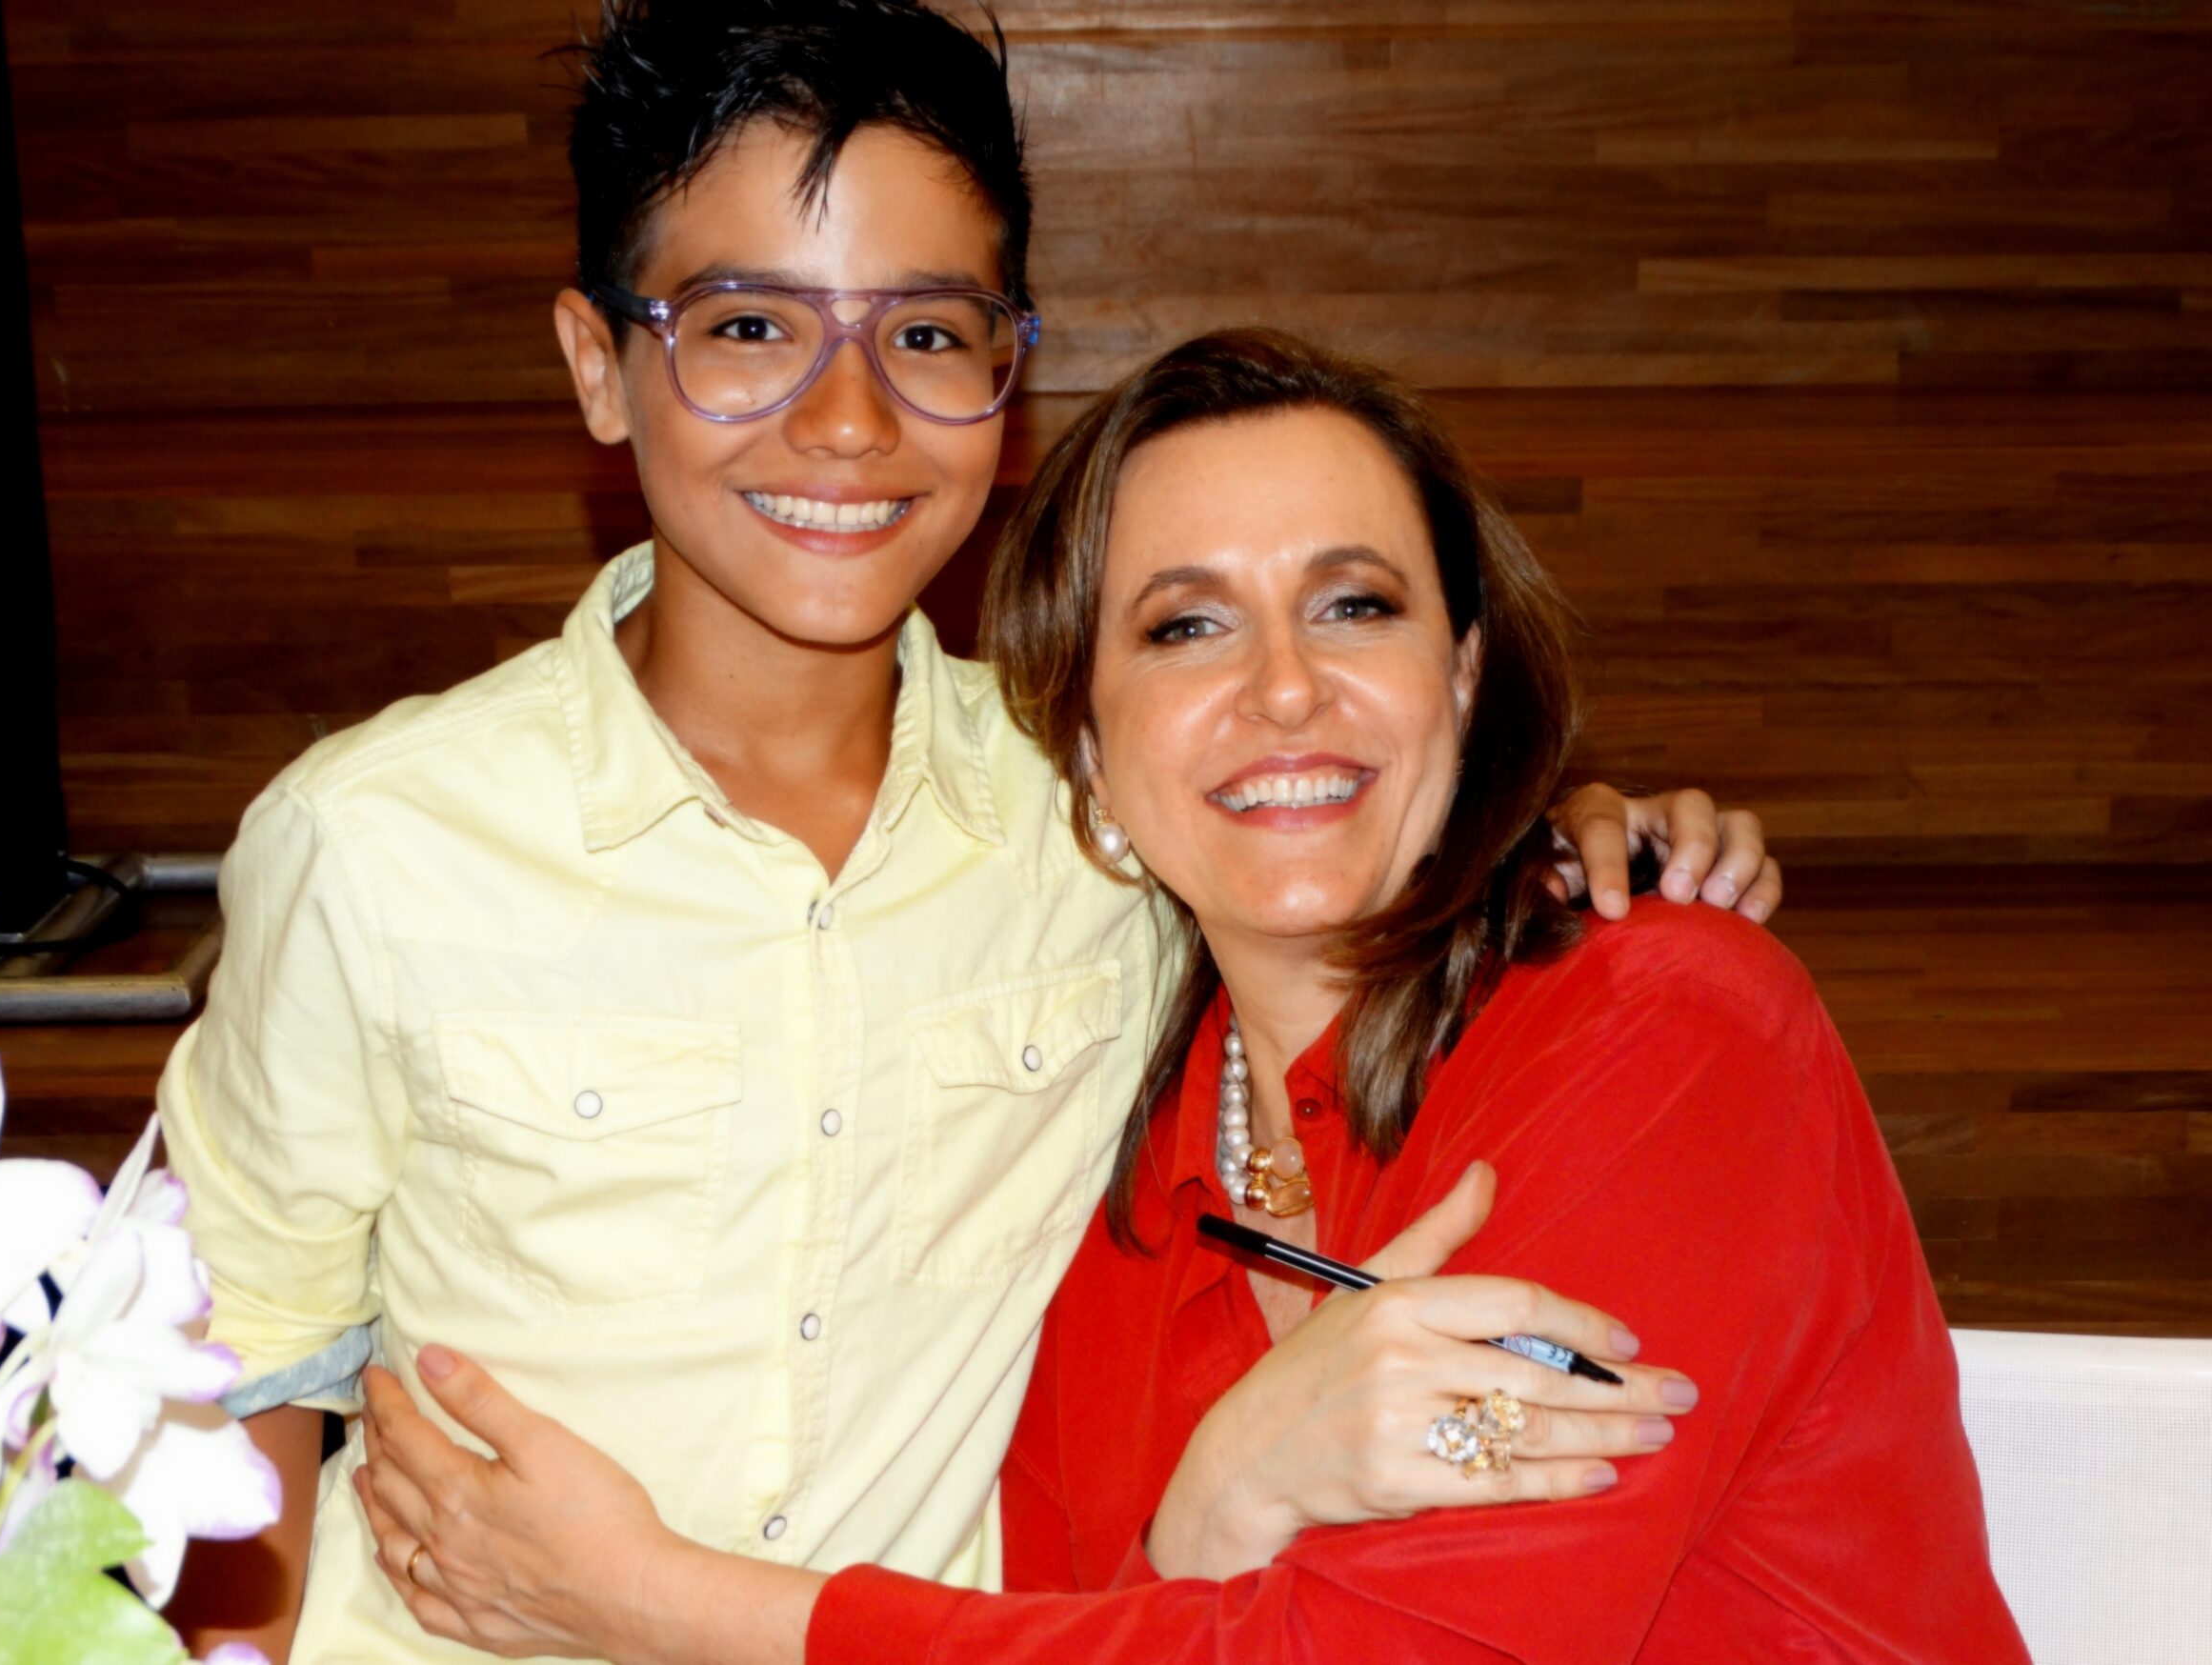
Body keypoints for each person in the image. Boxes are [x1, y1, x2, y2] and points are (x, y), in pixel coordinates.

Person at [160, 7, 1780, 1659]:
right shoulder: (372, 846)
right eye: (746, 327)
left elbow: (1330, 826)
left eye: (928, 335)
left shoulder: (1098, 806)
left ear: (1008, 374)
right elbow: (234, 1367)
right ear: (599, 363)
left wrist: (1558, 833)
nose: (848, 420)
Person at [351, 330, 2025, 1664]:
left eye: (1354, 606)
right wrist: (1219, 1500)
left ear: (1460, 677)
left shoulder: (1666, 1024)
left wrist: (655, 1600)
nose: (1286, 689)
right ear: (1087, 750)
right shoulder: (1126, 1213)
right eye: (1185, 627)